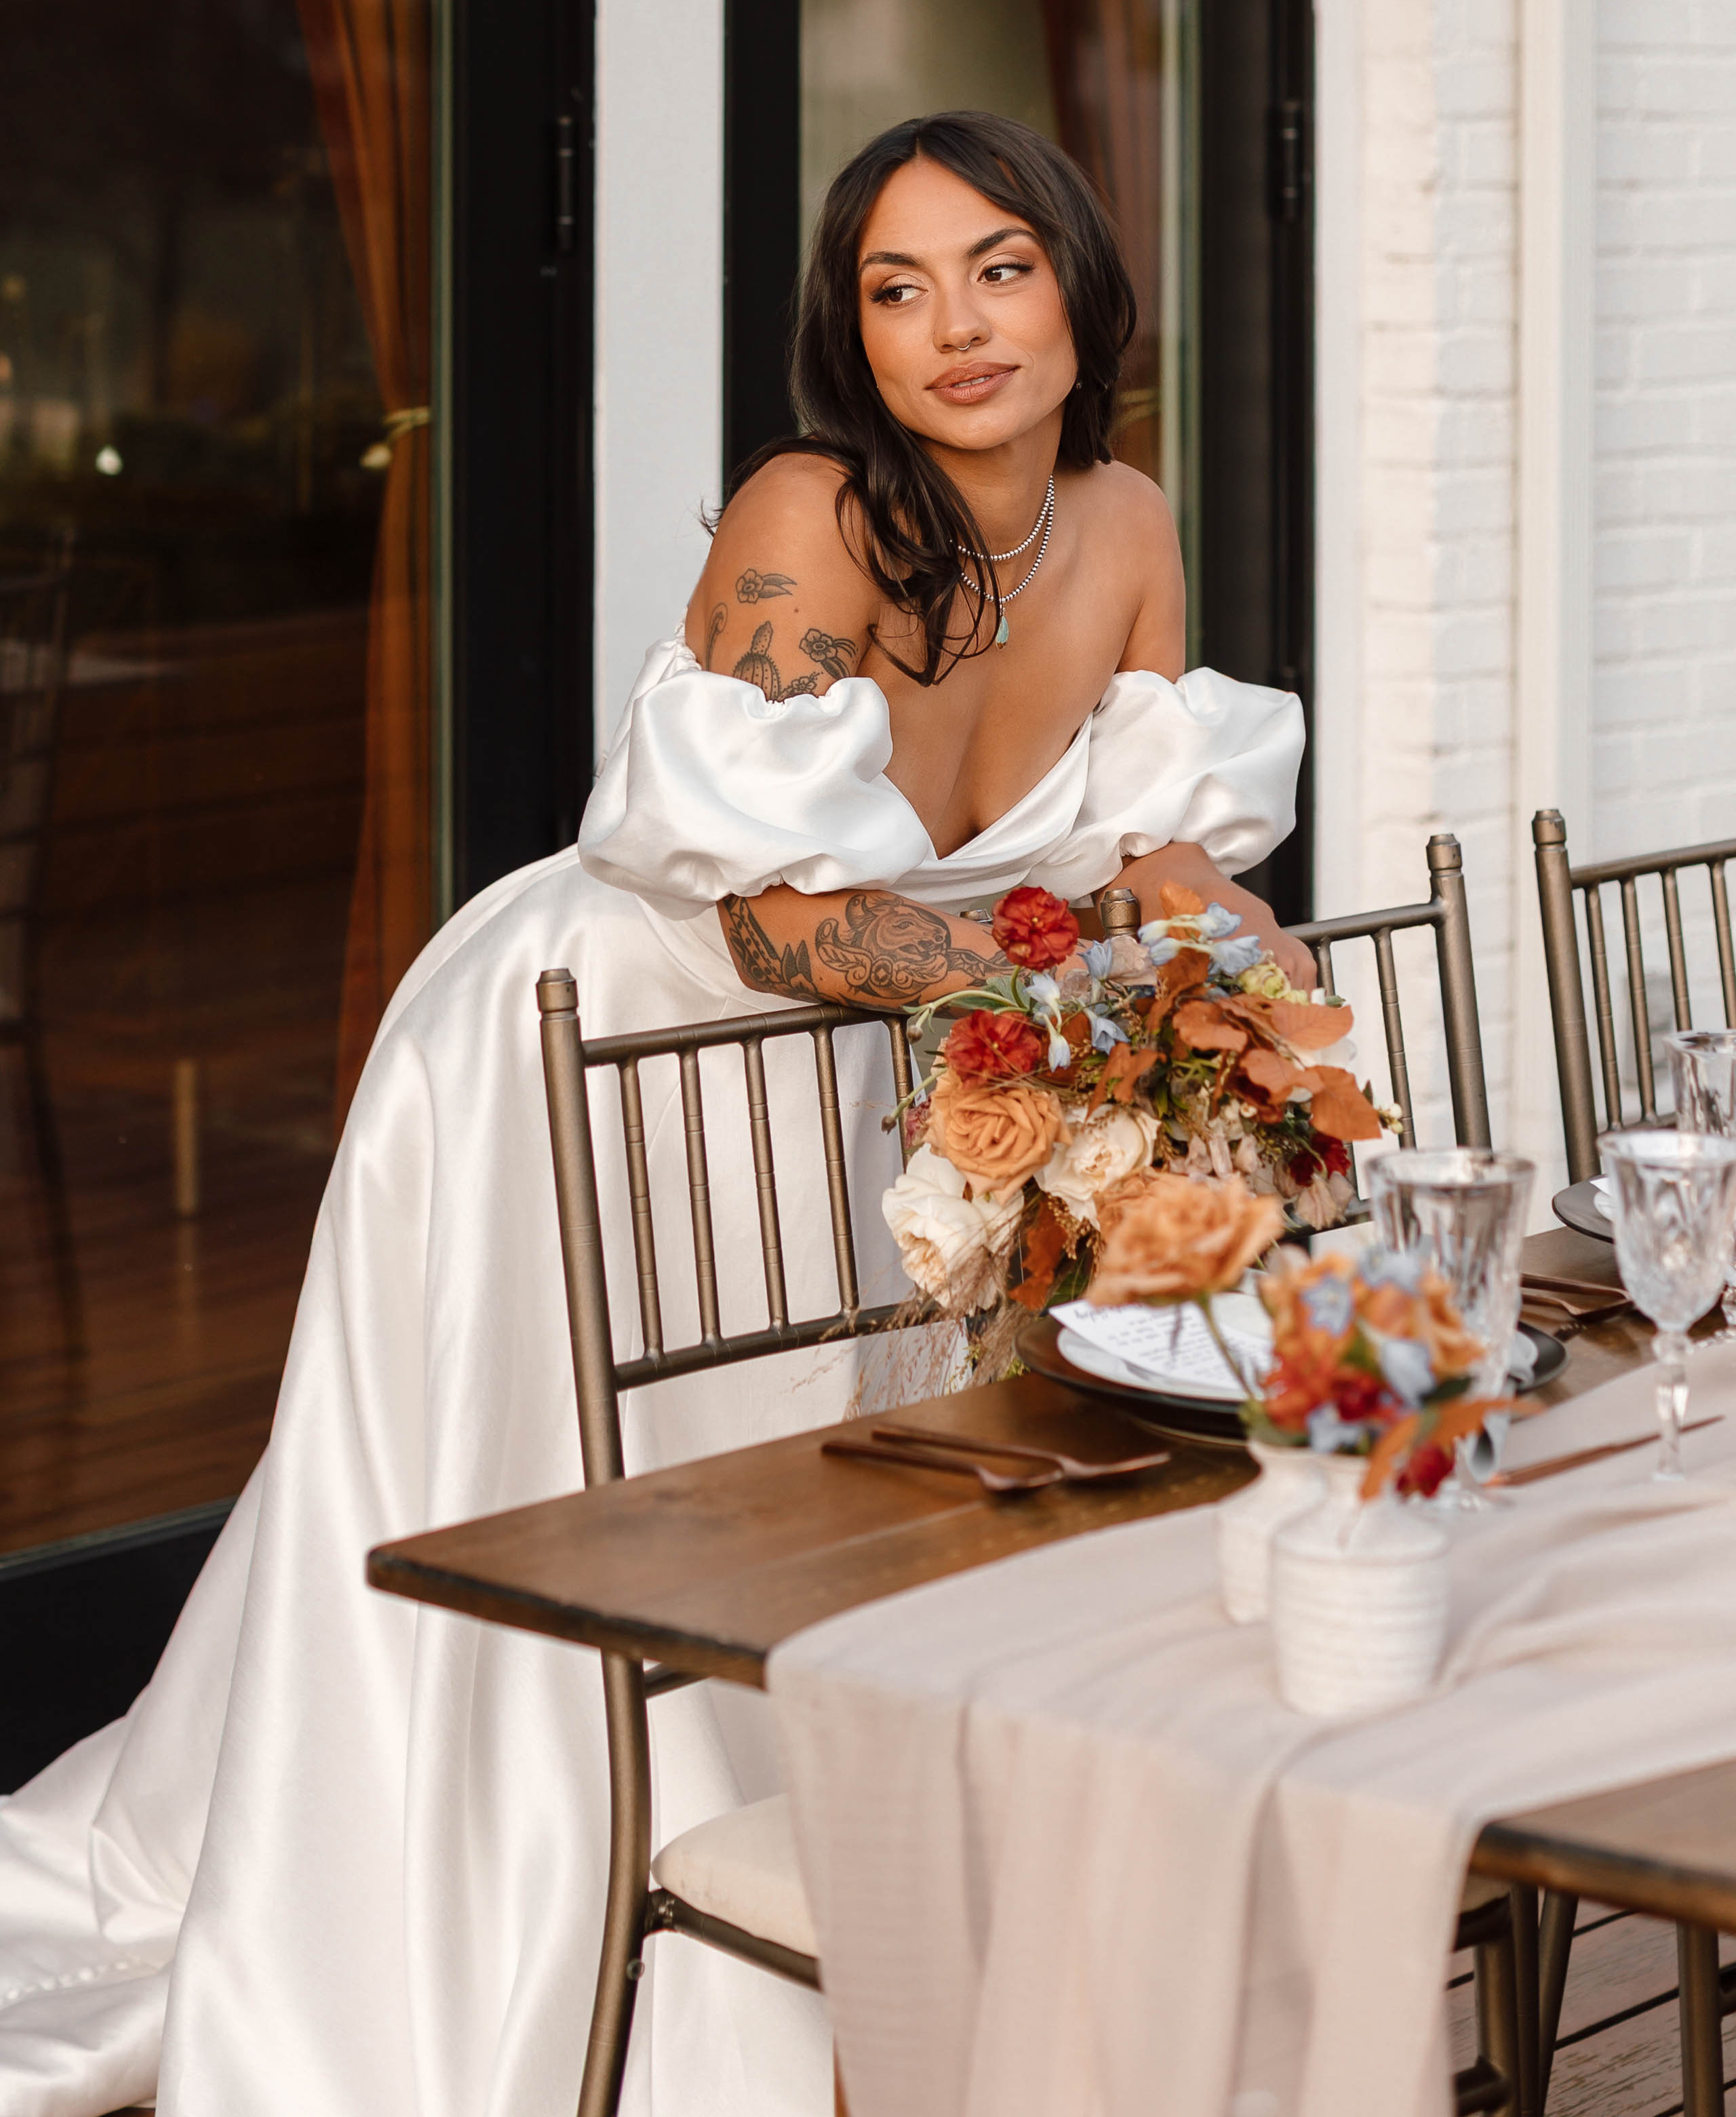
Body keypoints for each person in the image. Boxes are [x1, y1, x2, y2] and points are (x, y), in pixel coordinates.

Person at [0, 113, 1303, 2117]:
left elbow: (1146, 856)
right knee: (598, 1503)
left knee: (844, 1482)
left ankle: (845, 1885)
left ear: (1079, 284)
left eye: (997, 267)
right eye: (895, 289)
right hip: (615, 1050)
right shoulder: (810, 516)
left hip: (877, 1083)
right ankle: (534, 1925)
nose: (953, 325)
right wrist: (1064, 1000)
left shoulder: (1121, 522)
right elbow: (781, 929)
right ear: (848, 340)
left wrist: (1240, 972)